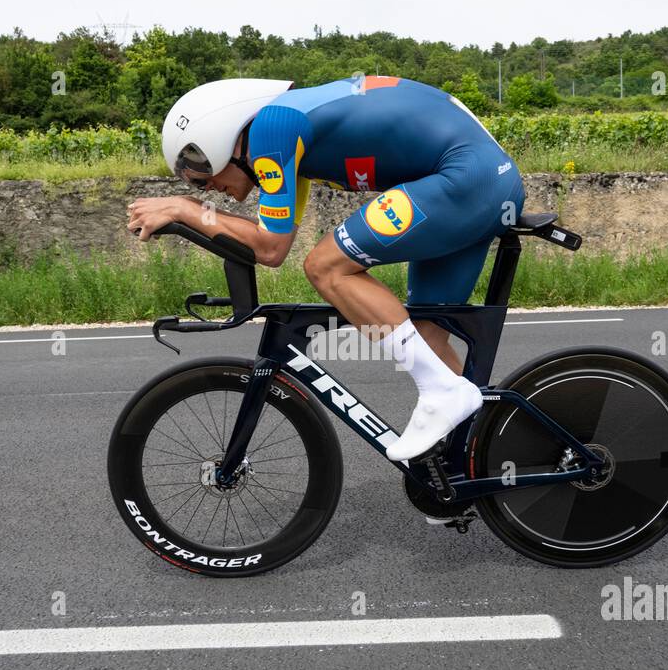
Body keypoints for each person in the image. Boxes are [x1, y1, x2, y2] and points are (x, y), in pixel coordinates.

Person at [126, 75, 524, 462]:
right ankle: (478, 461)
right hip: (480, 182)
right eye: (195, 187)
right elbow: (272, 243)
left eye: (199, 176)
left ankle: (444, 394)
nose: (206, 189)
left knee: (326, 267)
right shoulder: (286, 140)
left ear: (220, 139)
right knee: (426, 338)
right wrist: (192, 210)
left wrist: (185, 209)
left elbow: (268, 249)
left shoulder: (272, 130)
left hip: (466, 180)